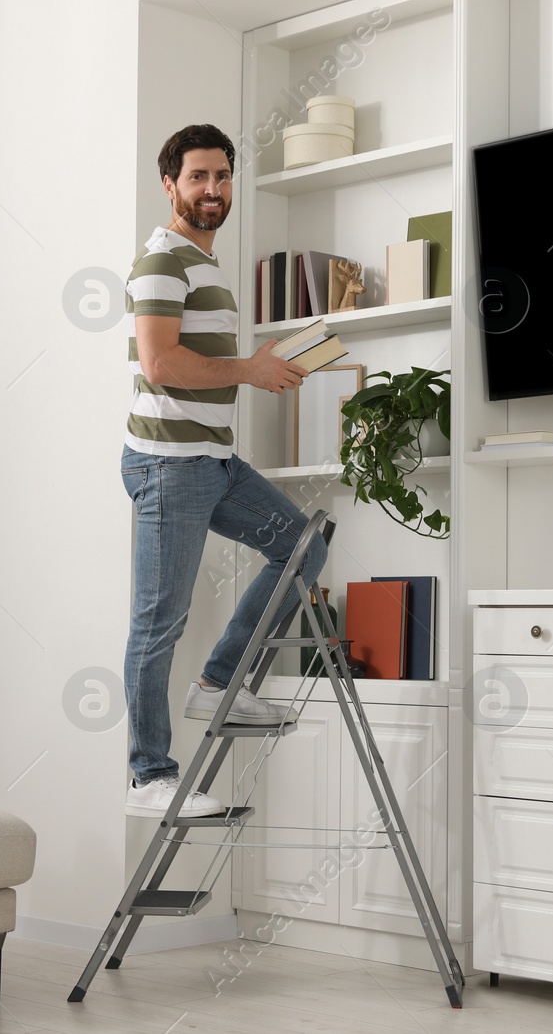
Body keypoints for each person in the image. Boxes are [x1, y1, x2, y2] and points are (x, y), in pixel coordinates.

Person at [120, 124, 329, 818]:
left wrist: (264, 367)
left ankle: (218, 681)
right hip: (167, 465)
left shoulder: (205, 265)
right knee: (159, 621)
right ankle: (150, 773)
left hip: (212, 459)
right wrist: (250, 369)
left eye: (222, 176)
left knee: (302, 543)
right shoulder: (162, 263)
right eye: (199, 177)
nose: (213, 189)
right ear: (170, 184)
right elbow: (160, 364)